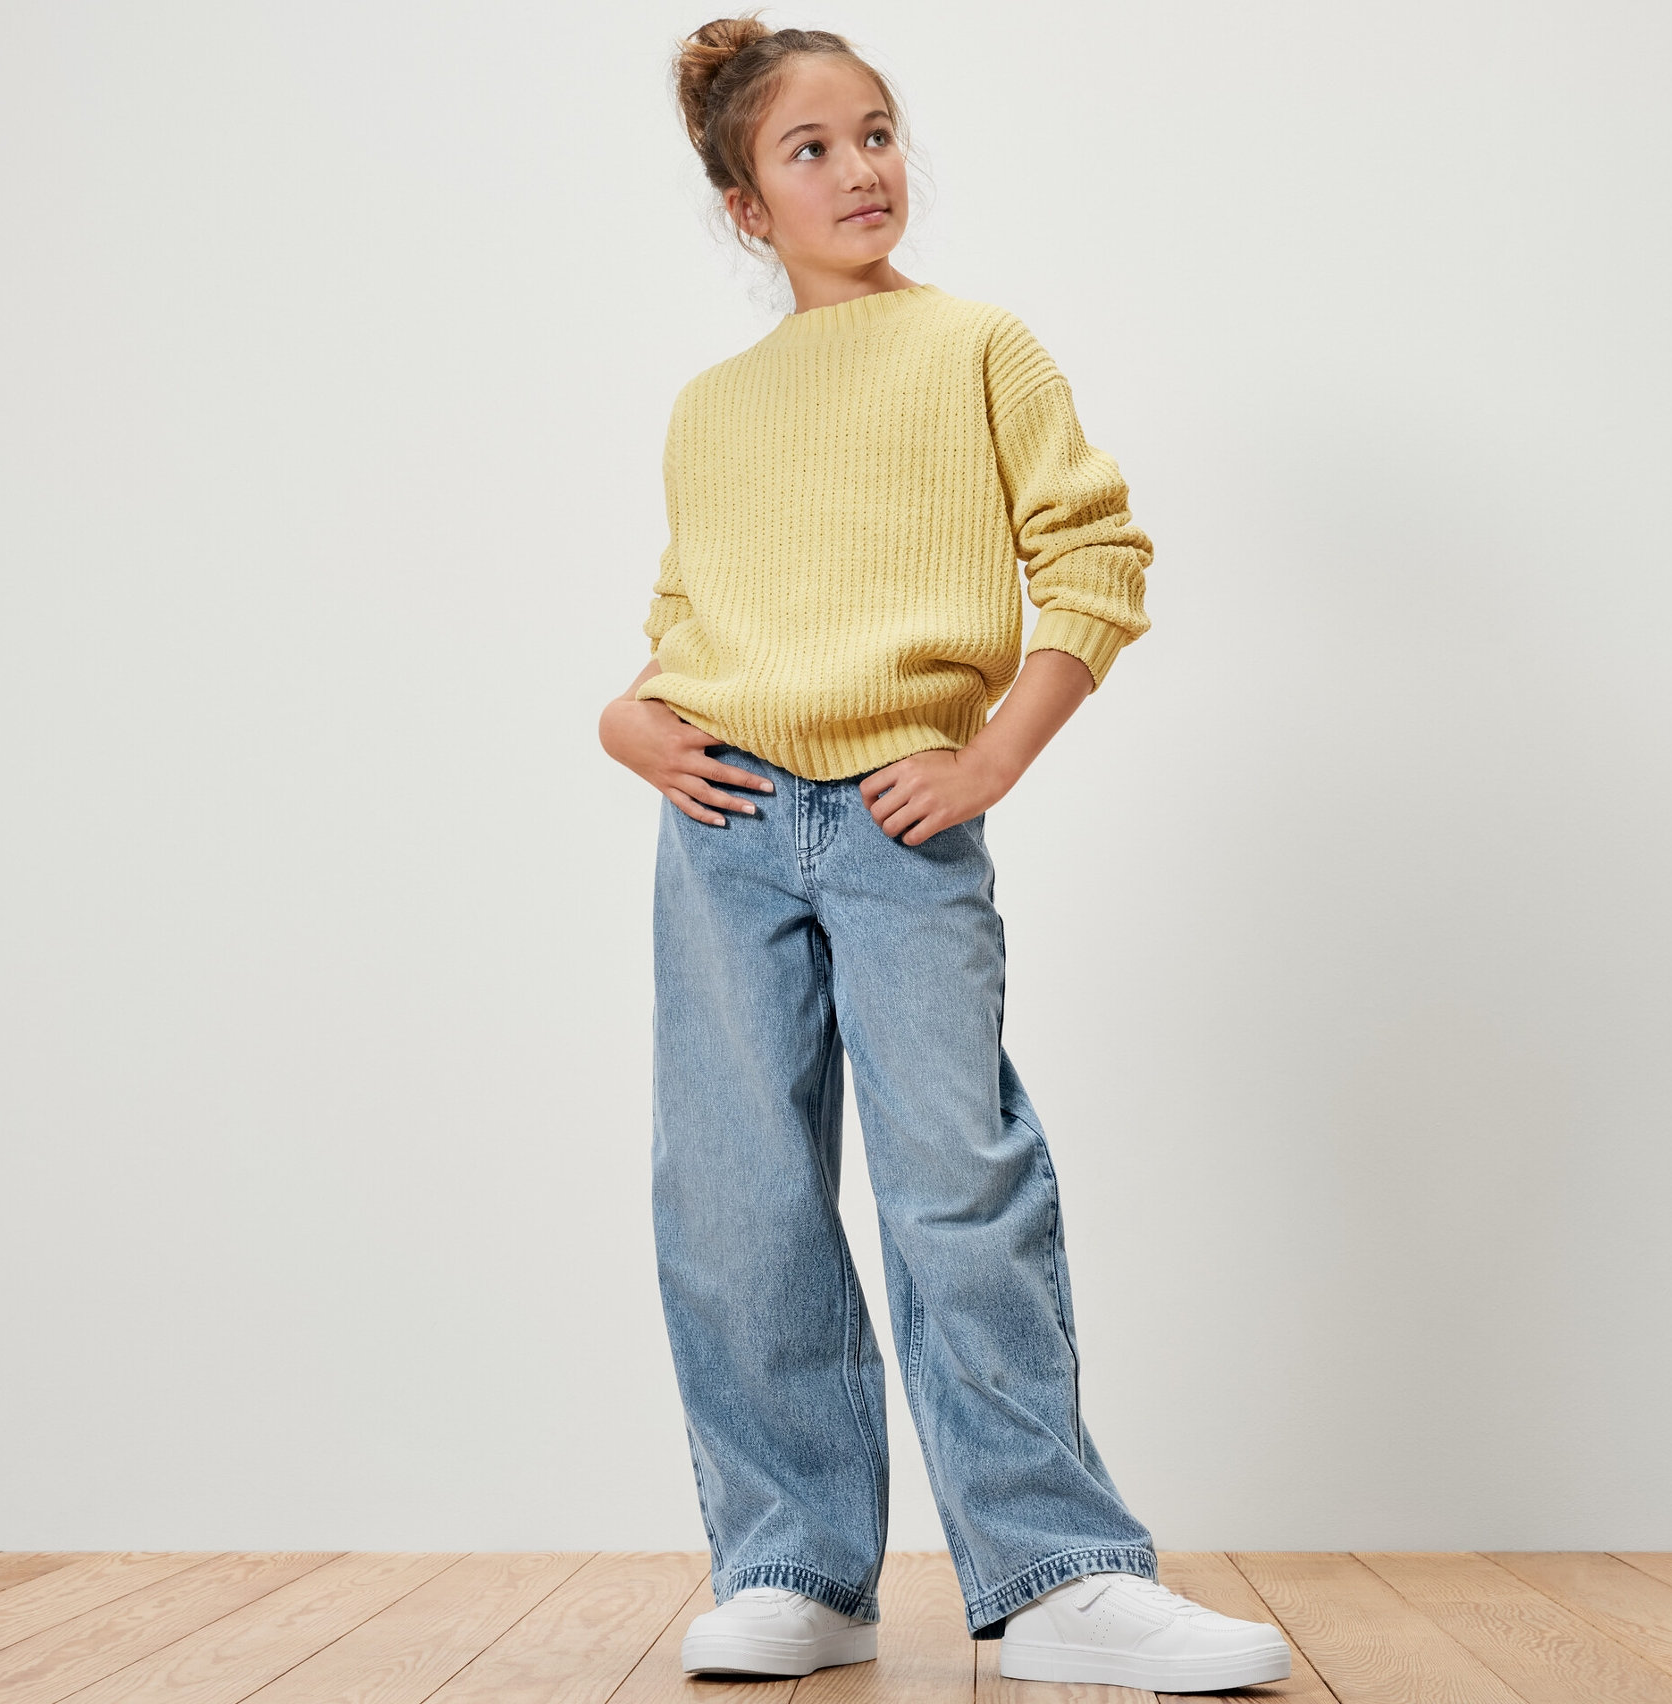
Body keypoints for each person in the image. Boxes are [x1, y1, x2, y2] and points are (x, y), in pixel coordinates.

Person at [596, 13, 1293, 1693]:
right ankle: (793, 1566)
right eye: (811, 150)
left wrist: (991, 754)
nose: (861, 169)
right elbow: (692, 623)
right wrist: (628, 720)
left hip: (905, 820)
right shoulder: (712, 408)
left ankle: (1056, 1572)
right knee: (736, 1199)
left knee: (958, 1181)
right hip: (731, 829)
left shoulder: (982, 347)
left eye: (880, 132)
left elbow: (1095, 557)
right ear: (747, 208)